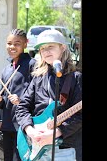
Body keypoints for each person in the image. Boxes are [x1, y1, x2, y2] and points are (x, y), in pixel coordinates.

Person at [15, 29, 82, 161]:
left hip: (65, 148)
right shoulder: (38, 78)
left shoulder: (76, 78)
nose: (46, 51)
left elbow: (79, 117)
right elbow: (22, 107)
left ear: (62, 48)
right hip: (35, 145)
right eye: (42, 48)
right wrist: (30, 130)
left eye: (50, 46)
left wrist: (56, 132)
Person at [0, 29, 36, 161]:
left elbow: (38, 94)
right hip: (8, 124)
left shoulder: (32, 65)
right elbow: (4, 101)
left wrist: (20, 100)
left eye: (17, 43)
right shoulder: (7, 69)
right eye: (9, 43)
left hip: (24, 124)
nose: (12, 47)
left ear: (25, 44)